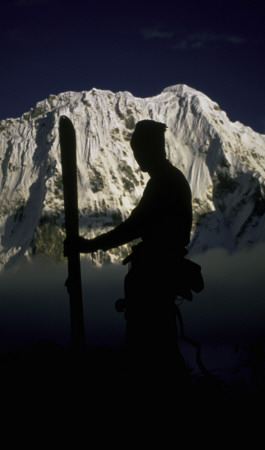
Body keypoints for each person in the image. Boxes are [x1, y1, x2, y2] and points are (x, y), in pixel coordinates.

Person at [64, 119, 193, 390]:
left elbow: (132, 227)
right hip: (161, 275)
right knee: (161, 347)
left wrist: (88, 246)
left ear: (150, 149)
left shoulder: (163, 183)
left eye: (138, 153)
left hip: (154, 279)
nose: (137, 160)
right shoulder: (170, 180)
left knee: (149, 350)